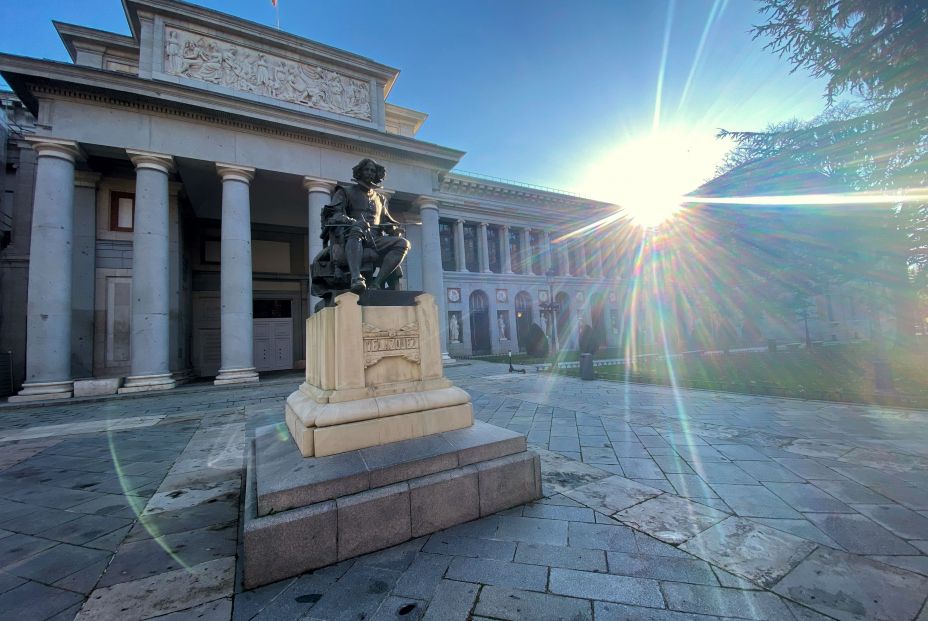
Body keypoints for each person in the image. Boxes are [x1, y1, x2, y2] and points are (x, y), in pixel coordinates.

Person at [322, 158, 410, 294]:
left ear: (376, 175)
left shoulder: (380, 199)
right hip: (351, 236)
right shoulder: (345, 192)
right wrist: (353, 222)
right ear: (359, 172)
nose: (370, 173)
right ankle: (356, 279)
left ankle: (376, 283)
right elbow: (334, 215)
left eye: (373, 171)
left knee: (403, 243)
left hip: (376, 240)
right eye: (366, 169)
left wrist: (393, 228)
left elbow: (386, 221)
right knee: (357, 229)